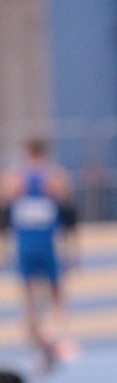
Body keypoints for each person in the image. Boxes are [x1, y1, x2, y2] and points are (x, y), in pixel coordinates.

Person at [1, 137, 78, 370]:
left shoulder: (14, 178)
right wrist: (72, 245)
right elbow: (69, 213)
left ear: (26, 152)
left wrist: (5, 244)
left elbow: (5, 212)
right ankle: (53, 340)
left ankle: (37, 347)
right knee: (56, 296)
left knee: (29, 299)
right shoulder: (55, 177)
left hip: (25, 244)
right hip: (47, 244)